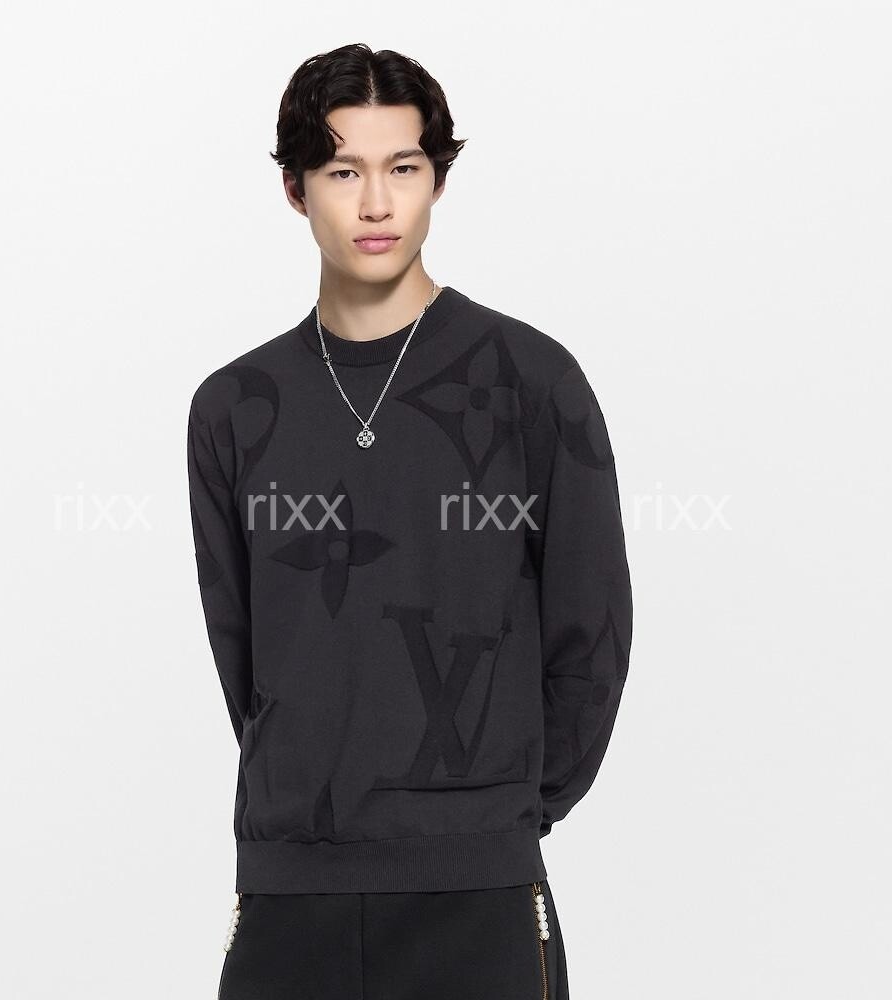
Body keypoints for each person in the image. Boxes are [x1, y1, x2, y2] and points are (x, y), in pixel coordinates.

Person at [186, 42, 633, 1000]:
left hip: (478, 895)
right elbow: (247, 659)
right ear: (296, 190)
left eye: (404, 168)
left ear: (438, 181)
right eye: (343, 171)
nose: (377, 204)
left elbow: (591, 635)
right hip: (290, 894)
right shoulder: (235, 408)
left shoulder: (532, 383)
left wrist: (494, 816)